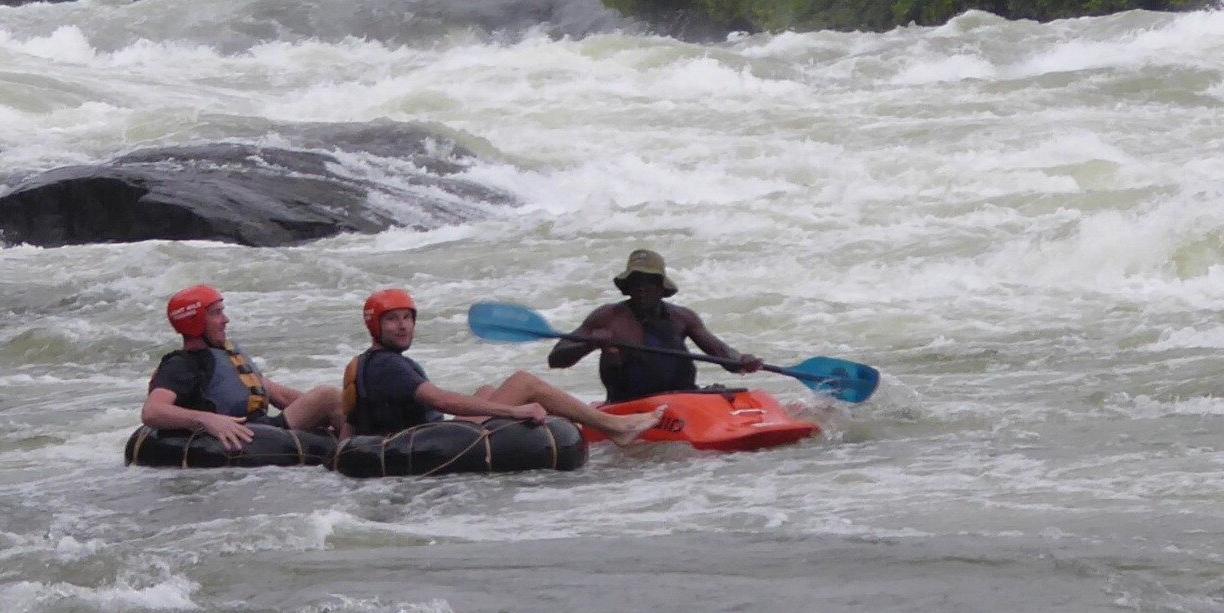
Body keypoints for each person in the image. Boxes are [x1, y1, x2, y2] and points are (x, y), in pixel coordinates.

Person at [345, 288, 652, 444]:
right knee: (523, 383)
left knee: (487, 390)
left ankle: (586, 420)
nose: (403, 327)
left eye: (407, 318)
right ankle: (616, 428)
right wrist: (516, 411)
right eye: (392, 320)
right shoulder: (388, 365)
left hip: (427, 433)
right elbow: (439, 399)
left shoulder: (378, 360)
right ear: (375, 326)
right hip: (430, 441)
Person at [141, 284, 344, 452]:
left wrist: (328, 412)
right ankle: (351, 457)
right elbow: (152, 411)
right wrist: (207, 420)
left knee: (335, 400)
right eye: (217, 313)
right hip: (248, 436)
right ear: (195, 322)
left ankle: (363, 443)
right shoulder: (182, 364)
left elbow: (280, 396)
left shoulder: (227, 355)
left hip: (264, 429)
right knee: (328, 394)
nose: (225, 320)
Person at [545, 248, 762, 401]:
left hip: (683, 397)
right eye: (635, 281)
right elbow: (556, 358)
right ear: (627, 287)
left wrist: (742, 361)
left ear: (661, 287)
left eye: (648, 282)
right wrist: (589, 344)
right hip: (629, 404)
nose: (641, 288)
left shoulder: (683, 318)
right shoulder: (607, 317)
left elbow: (721, 352)